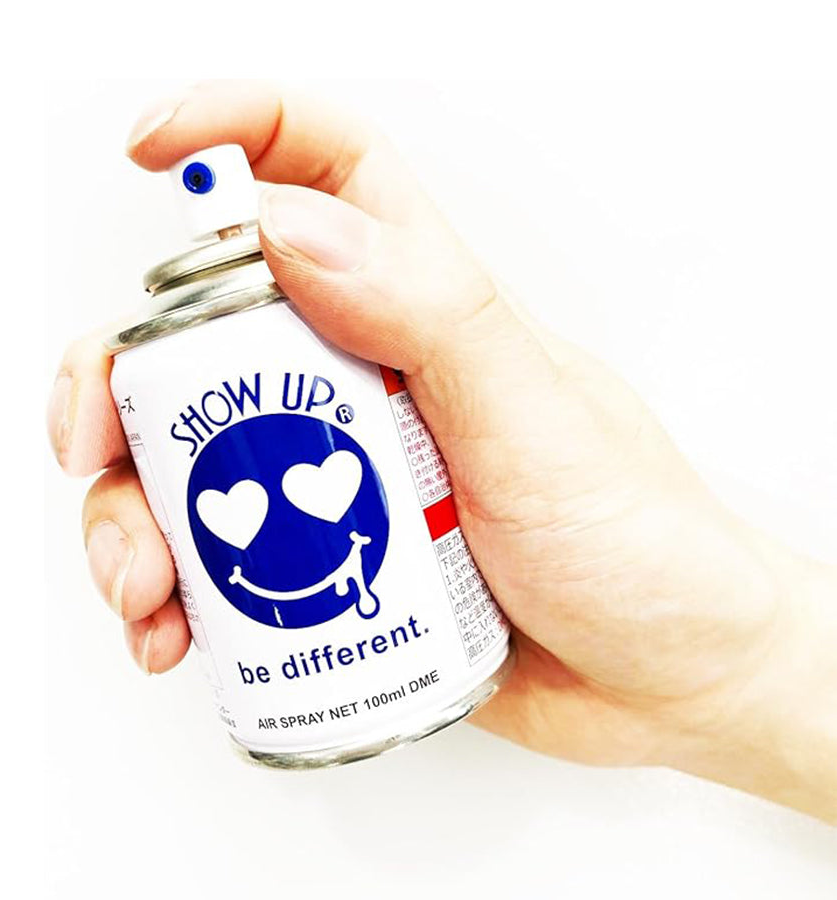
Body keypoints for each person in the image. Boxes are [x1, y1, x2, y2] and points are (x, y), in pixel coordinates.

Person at [47, 81, 836, 824]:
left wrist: (746, 672)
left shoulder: (337, 304)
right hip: (316, 691)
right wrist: (743, 680)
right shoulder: (161, 364)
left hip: (457, 659)